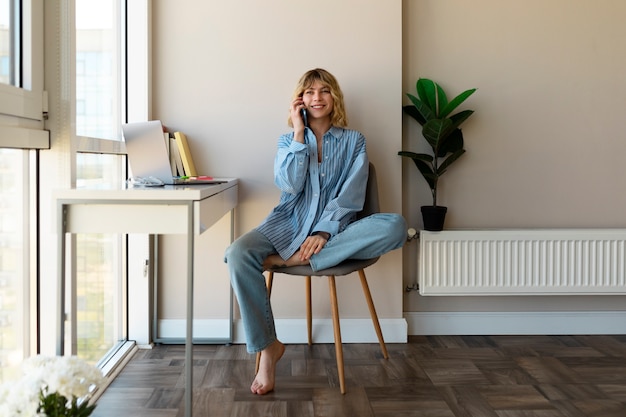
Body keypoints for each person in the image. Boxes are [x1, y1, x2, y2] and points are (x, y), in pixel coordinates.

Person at [224, 68, 406, 395]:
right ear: (300, 100)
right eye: (309, 92)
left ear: (335, 97)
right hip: (285, 225)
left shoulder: (354, 140)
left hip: (337, 233)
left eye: (324, 90)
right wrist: (298, 133)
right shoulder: (287, 140)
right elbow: (289, 185)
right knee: (237, 253)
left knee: (395, 225)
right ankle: (269, 349)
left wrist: (323, 231)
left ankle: (287, 261)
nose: (317, 97)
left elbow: (352, 196)